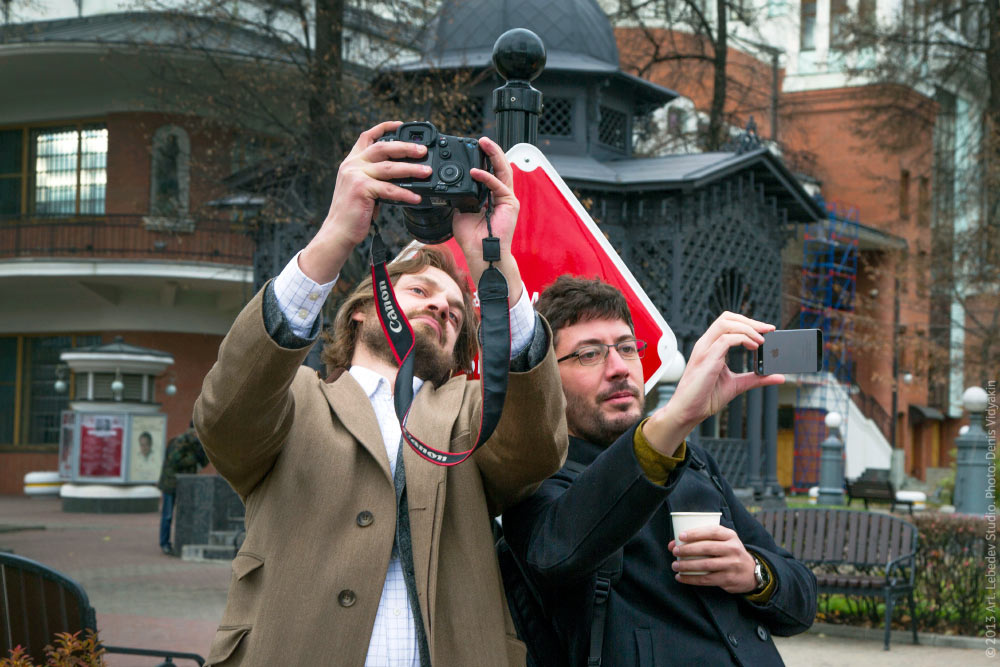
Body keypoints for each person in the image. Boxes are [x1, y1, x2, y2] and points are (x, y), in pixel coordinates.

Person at [193, 121, 567, 666]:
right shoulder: (295, 401)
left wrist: (494, 262)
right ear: (364, 309)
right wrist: (336, 235)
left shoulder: (472, 414)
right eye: (419, 290)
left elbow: (535, 448)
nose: (441, 307)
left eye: (456, 312)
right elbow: (224, 416)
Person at [502, 276, 817, 666]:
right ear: (548, 378)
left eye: (627, 348)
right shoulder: (537, 478)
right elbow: (554, 554)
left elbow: (802, 599)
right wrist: (676, 417)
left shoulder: (695, 462)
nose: (618, 368)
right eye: (589, 354)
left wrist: (753, 573)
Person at [157, 422, 207, 556]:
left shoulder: (197, 444)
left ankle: (182, 541)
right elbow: (175, 460)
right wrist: (193, 458)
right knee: (167, 515)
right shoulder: (180, 441)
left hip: (185, 485)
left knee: (184, 514)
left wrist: (203, 453)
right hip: (170, 484)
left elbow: (203, 461)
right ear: (192, 431)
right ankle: (164, 543)